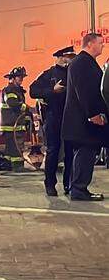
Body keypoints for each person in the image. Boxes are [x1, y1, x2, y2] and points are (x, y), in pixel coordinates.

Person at [62, 33, 106, 201]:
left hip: (81, 121)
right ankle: (79, 189)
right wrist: (93, 114)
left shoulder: (85, 62)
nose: (103, 46)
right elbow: (85, 92)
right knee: (85, 153)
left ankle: (78, 188)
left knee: (83, 153)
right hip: (83, 121)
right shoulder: (81, 64)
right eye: (100, 43)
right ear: (90, 44)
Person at [30, 47, 75, 195]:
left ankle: (69, 184)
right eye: (70, 56)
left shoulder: (73, 73)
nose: (72, 58)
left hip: (69, 118)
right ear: (62, 57)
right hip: (53, 117)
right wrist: (52, 90)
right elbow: (33, 91)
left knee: (70, 152)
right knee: (53, 151)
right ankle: (50, 184)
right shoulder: (49, 74)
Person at [0, 66, 31, 171]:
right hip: (11, 125)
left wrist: (26, 118)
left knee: (10, 149)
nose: (21, 79)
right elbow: (12, 103)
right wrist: (26, 107)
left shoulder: (18, 90)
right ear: (12, 78)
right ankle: (18, 167)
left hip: (14, 125)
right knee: (16, 148)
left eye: (22, 77)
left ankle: (7, 165)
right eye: (19, 77)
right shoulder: (9, 90)